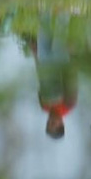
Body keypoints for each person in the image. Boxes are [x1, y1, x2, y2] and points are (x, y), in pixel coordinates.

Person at [32, 9, 77, 140]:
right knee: (60, 29)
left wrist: (36, 57)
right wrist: (72, 56)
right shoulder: (68, 105)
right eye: (53, 124)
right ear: (61, 124)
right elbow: (72, 80)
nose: (50, 121)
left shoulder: (44, 105)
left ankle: (45, 5)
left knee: (43, 29)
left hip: (44, 62)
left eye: (48, 124)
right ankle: (65, 3)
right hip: (61, 61)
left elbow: (41, 80)